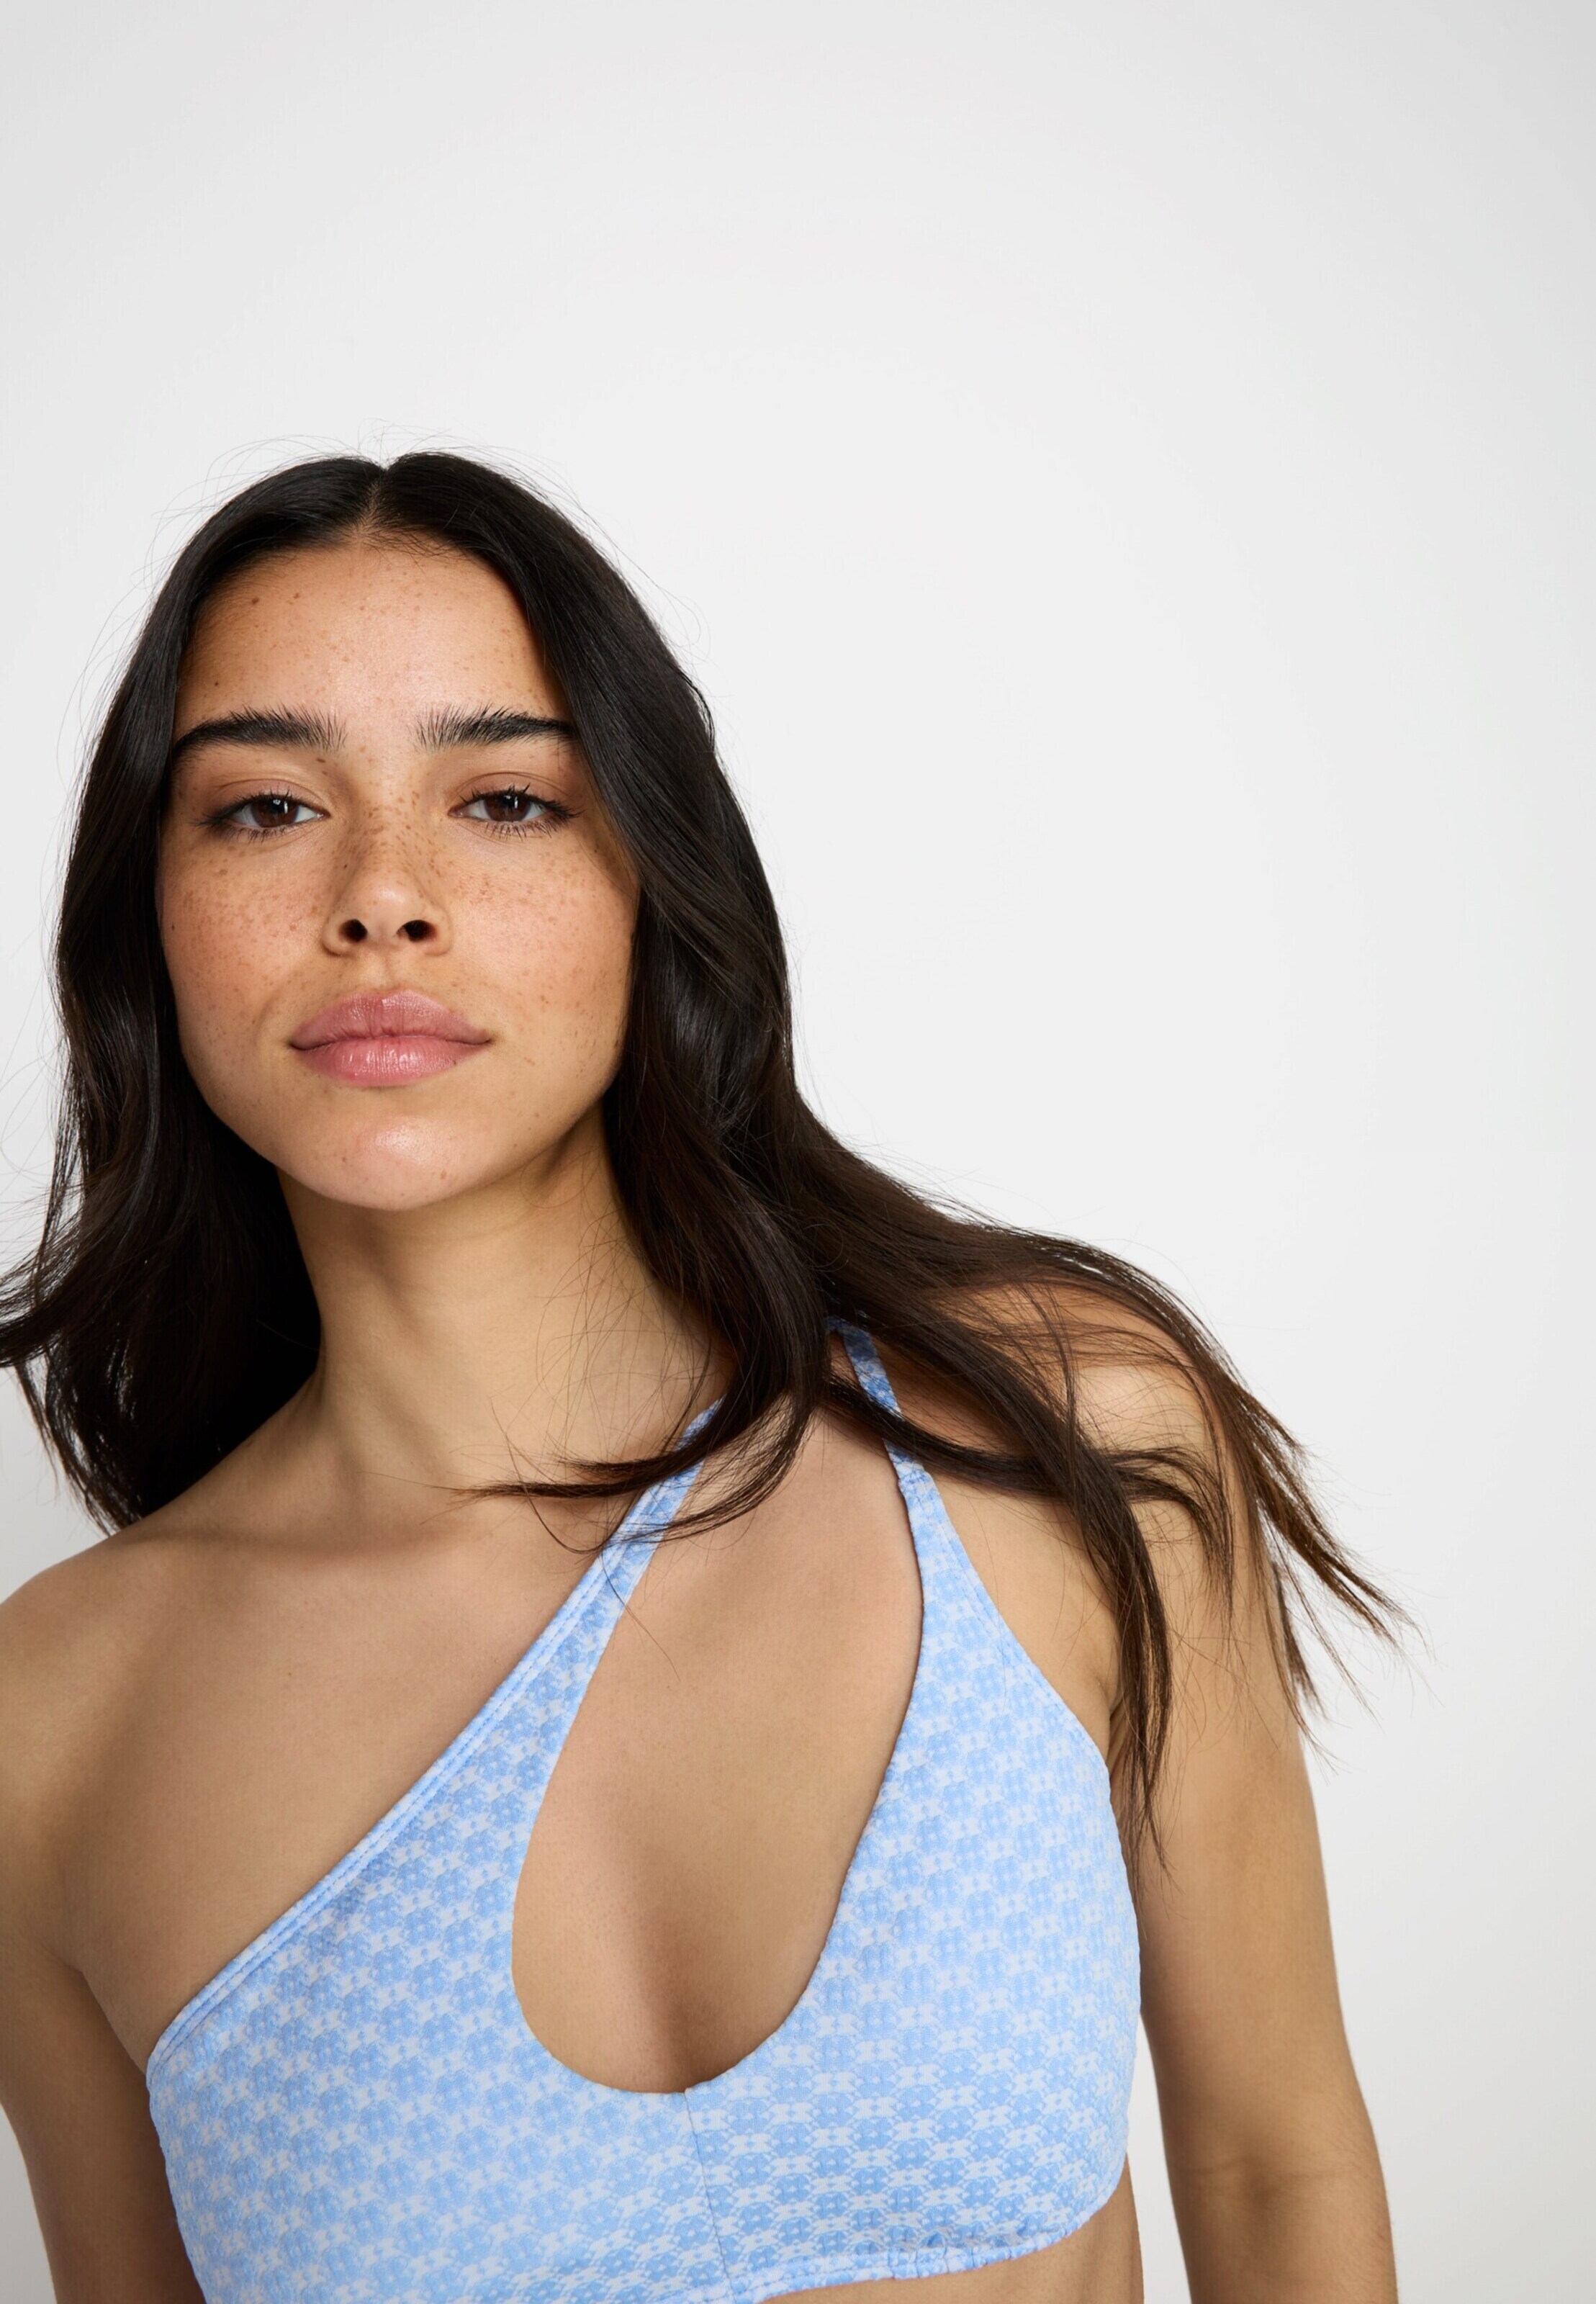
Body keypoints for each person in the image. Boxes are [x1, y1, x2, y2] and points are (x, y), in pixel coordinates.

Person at [0, 453, 1399, 2304]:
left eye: (503, 799)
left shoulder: (1062, 1435)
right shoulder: (50, 1726)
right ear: (146, 918)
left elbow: (1273, 2162)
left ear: (649, 880)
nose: (382, 897)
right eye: (265, 808)